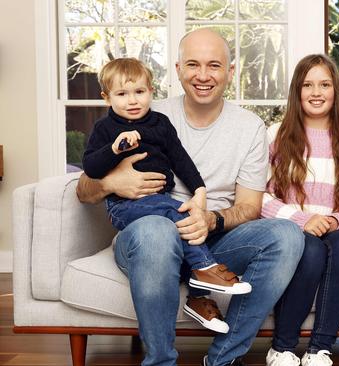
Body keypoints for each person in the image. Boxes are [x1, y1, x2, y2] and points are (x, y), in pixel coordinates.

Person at [76, 28, 304, 366]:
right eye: (193, 64)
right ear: (179, 68)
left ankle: (222, 359)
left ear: (231, 71)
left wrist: (211, 218)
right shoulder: (140, 109)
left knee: (287, 234)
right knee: (157, 229)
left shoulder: (249, 127)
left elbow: (249, 207)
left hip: (211, 242)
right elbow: (83, 190)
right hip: (147, 239)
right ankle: (160, 361)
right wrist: (115, 183)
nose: (202, 75)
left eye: (214, 65)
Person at [82, 58, 251, 334]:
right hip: (124, 207)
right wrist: (114, 150)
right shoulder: (106, 129)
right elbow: (91, 167)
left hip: (158, 203)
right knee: (176, 210)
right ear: (106, 98)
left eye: (139, 92)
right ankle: (205, 267)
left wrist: (199, 191)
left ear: (151, 91)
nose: (132, 101)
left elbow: (180, 159)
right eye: (122, 94)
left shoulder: (160, 123)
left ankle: (198, 293)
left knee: (181, 213)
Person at [261, 54, 339, 366]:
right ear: (297, 91)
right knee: (311, 252)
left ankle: (320, 348)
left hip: (337, 226)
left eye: (324, 84)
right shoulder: (276, 134)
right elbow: (261, 198)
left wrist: (334, 220)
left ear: (335, 91)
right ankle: (282, 347)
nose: (316, 92)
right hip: (293, 227)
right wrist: (303, 220)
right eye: (308, 85)